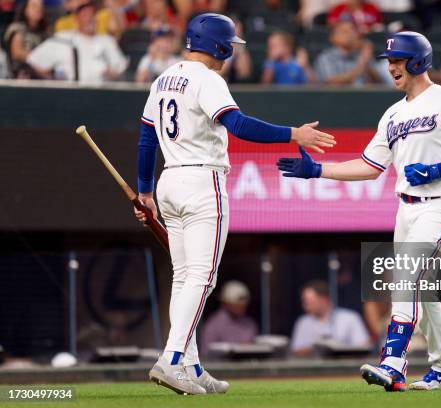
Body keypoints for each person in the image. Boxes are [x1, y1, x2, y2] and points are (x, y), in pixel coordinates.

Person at [277, 31, 441, 391]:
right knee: (420, 289)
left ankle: (394, 360)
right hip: (407, 208)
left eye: (397, 60)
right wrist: (319, 171)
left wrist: (439, 170)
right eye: (390, 61)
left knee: (406, 276)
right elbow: (370, 166)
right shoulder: (393, 113)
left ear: (417, 61)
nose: (392, 67)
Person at [133, 13, 335, 395]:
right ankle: (171, 359)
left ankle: (190, 364)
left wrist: (145, 191)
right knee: (202, 277)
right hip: (202, 180)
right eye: (230, 45)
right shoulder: (208, 79)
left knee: (184, 277)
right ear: (220, 46)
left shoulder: (162, 77)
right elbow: (239, 126)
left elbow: (146, 139)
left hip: (169, 179)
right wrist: (295, 134)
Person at [26, 1, 127, 83]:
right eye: (85, 16)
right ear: (77, 19)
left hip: (102, 94)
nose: (89, 19)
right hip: (70, 94)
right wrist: (51, 77)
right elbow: (34, 60)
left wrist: (112, 74)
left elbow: (121, 69)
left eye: (92, 15)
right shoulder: (64, 38)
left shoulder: (106, 40)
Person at [291, 280, 370, 356]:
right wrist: (318, 348)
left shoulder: (350, 318)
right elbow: (296, 351)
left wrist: (339, 349)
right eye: (305, 303)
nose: (305, 307)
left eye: (309, 302)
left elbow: (364, 346)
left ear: (323, 299)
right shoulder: (303, 322)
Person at [199, 281, 258, 354]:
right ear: (225, 303)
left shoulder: (250, 324)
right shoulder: (213, 326)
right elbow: (206, 354)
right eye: (237, 303)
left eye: (244, 303)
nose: (241, 306)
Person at [314, 20, 378, 85]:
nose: (350, 34)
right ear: (332, 38)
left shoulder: (361, 55)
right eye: (344, 32)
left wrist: (366, 61)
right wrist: (361, 66)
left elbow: (379, 83)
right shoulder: (326, 57)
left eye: (353, 31)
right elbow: (331, 83)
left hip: (362, 94)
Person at [3, 0, 48, 78]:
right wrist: (38, 62)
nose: (38, 9)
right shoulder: (17, 28)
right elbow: (17, 52)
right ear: (25, 9)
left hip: (40, 76)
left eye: (41, 7)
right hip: (19, 75)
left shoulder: (44, 33)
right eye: (34, 6)